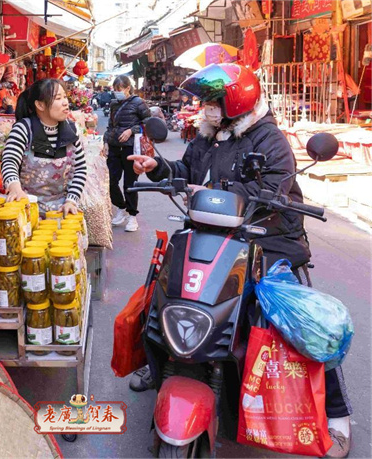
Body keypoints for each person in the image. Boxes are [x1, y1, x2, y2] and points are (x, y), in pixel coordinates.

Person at [128, 63, 352, 458]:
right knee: (163, 289)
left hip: (269, 238)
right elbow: (185, 170)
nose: (206, 108)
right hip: (210, 233)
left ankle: (335, 414)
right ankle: (163, 360)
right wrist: (158, 167)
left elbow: (268, 188)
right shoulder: (208, 136)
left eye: (213, 101)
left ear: (234, 103)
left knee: (305, 323)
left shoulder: (270, 140)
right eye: (206, 102)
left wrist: (216, 188)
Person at [1, 78, 87, 216]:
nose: (65, 102)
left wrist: (71, 200)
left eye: (65, 97)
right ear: (40, 105)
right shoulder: (23, 129)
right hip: (27, 208)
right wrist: (14, 187)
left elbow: (80, 170)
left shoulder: (72, 129)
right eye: (58, 98)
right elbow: (10, 161)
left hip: (61, 210)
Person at [103, 76, 151, 232]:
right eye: (115, 90)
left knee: (130, 183)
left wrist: (132, 130)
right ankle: (121, 207)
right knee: (110, 181)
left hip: (130, 148)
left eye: (120, 89)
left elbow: (148, 122)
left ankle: (132, 216)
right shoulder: (113, 104)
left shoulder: (138, 103)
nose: (117, 93)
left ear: (128, 88)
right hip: (115, 147)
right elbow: (110, 125)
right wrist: (106, 141)